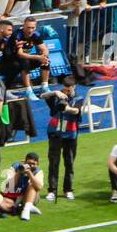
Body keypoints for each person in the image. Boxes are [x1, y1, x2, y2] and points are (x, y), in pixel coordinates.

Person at [43, 74, 82, 202]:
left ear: (74, 87)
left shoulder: (78, 97)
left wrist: (67, 108)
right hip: (55, 133)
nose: (66, 92)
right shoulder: (57, 94)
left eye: (68, 90)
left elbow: (76, 111)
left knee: (69, 162)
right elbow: (42, 96)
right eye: (64, 89)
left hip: (71, 134)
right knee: (53, 162)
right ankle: (52, 190)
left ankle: (68, 189)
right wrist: (54, 92)